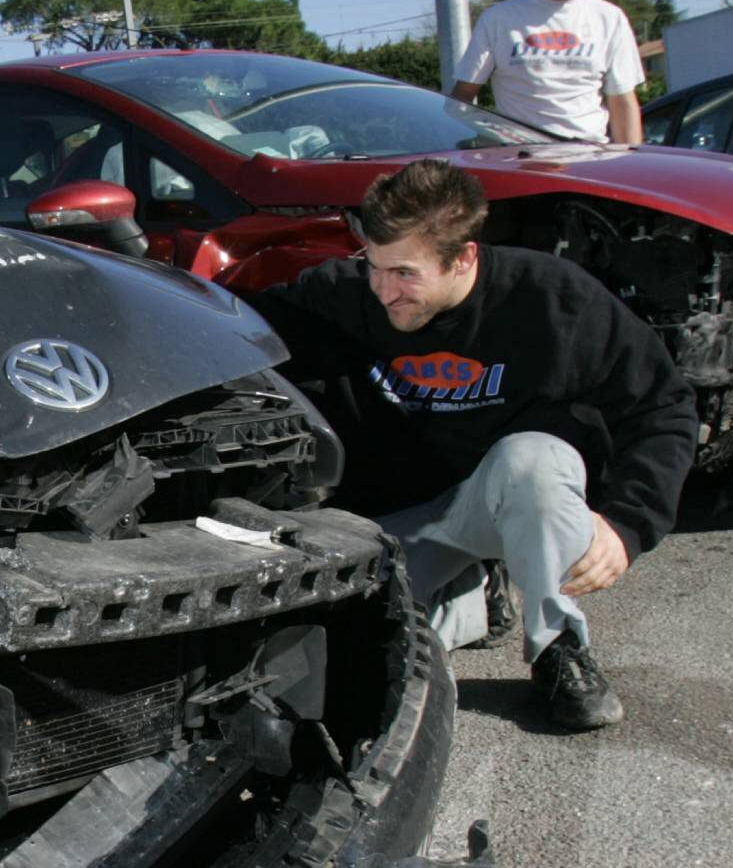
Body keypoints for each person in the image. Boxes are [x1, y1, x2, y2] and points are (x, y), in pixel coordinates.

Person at [250, 160, 696, 730]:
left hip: (505, 505)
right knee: (341, 657)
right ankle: (474, 598)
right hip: (400, 522)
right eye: (375, 266)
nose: (385, 290)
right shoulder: (340, 297)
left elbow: (663, 405)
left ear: (463, 257)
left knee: (534, 458)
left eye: (406, 274)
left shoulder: (554, 300)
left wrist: (630, 523)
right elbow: (226, 321)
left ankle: (557, 648)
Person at [449, 0, 644, 145]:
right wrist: (485, 142)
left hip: (590, 157)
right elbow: (461, 100)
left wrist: (631, 161)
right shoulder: (499, 19)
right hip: (521, 160)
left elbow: (622, 102)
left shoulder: (610, 18)